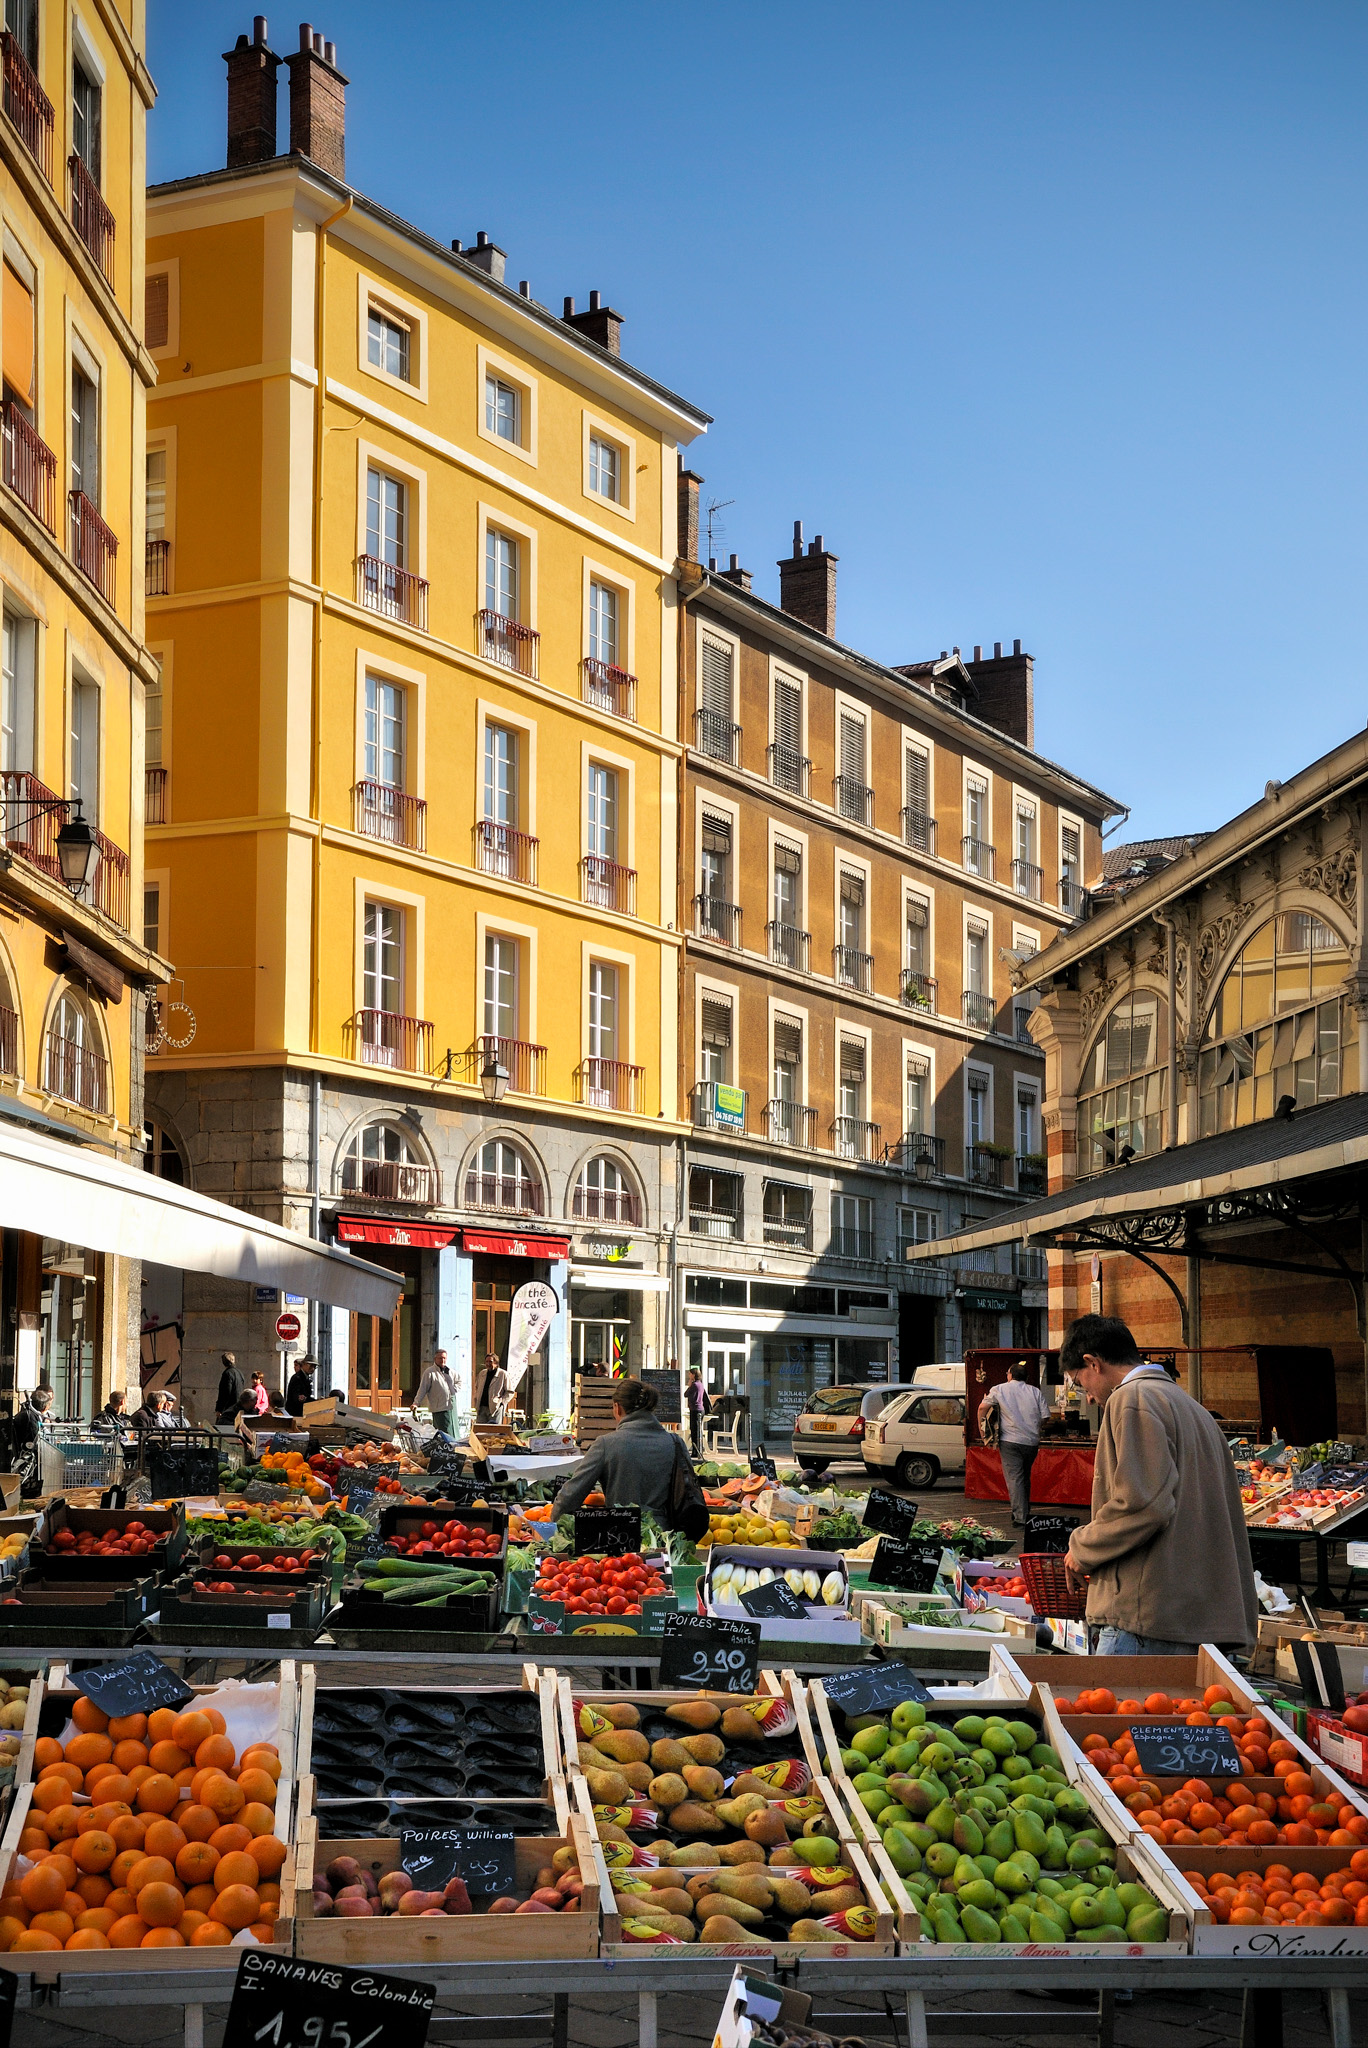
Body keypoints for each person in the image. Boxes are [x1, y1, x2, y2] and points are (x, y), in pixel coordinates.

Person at [1060, 1314, 1258, 1654]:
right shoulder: (1191, 1407)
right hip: (1191, 1616)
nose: (1088, 1398)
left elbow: (1143, 1504)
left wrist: (1082, 1548)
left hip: (1147, 1619)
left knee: (1124, 1707)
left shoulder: (1132, 1399)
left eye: (1080, 1383)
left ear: (1093, 1362)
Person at [551, 1379, 680, 1520]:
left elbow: (572, 1494)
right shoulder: (675, 1443)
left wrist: (552, 1525)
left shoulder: (606, 1444)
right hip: (670, 1535)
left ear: (617, 1408)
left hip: (620, 1533)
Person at [978, 1358, 1051, 1527]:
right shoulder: (1035, 1391)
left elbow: (982, 1407)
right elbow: (1046, 1416)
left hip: (1010, 1440)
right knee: (1024, 1477)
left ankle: (1020, 1517)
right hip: (1031, 1442)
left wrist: (982, 1430)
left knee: (1015, 1479)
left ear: (1010, 1375)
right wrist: (1034, 1426)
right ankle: (1024, 1510)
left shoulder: (999, 1389)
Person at [415, 1349, 455, 1436]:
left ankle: (450, 1448)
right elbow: (422, 1389)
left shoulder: (449, 1371)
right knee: (442, 1433)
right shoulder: (430, 1372)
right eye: (440, 1358)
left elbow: (459, 1381)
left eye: (444, 1358)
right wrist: (416, 1402)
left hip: (450, 1407)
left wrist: (453, 1390)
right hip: (438, 1408)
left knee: (450, 1432)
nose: (442, 1360)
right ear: (435, 1359)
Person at [474, 1352, 508, 1426]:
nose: (488, 1364)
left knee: (494, 1431)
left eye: (490, 1362)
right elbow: (477, 1387)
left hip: (495, 1408)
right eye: (486, 1362)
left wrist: (501, 1402)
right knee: (480, 1432)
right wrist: (476, 1399)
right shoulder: (482, 1374)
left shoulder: (503, 1374)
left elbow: (510, 1392)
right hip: (482, 1408)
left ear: (496, 1362)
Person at [215, 1352, 244, 1424]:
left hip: (229, 1409)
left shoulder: (227, 1374)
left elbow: (225, 1393)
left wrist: (220, 1409)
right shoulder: (239, 1373)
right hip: (238, 1407)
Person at [686, 1368, 709, 1457]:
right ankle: (698, 1449)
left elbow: (686, 1394)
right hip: (701, 1409)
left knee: (694, 1431)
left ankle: (696, 1451)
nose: (689, 1375)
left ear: (693, 1375)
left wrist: (689, 1385)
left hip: (695, 1409)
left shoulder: (694, 1385)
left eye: (690, 1374)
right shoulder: (700, 1384)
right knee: (697, 1430)